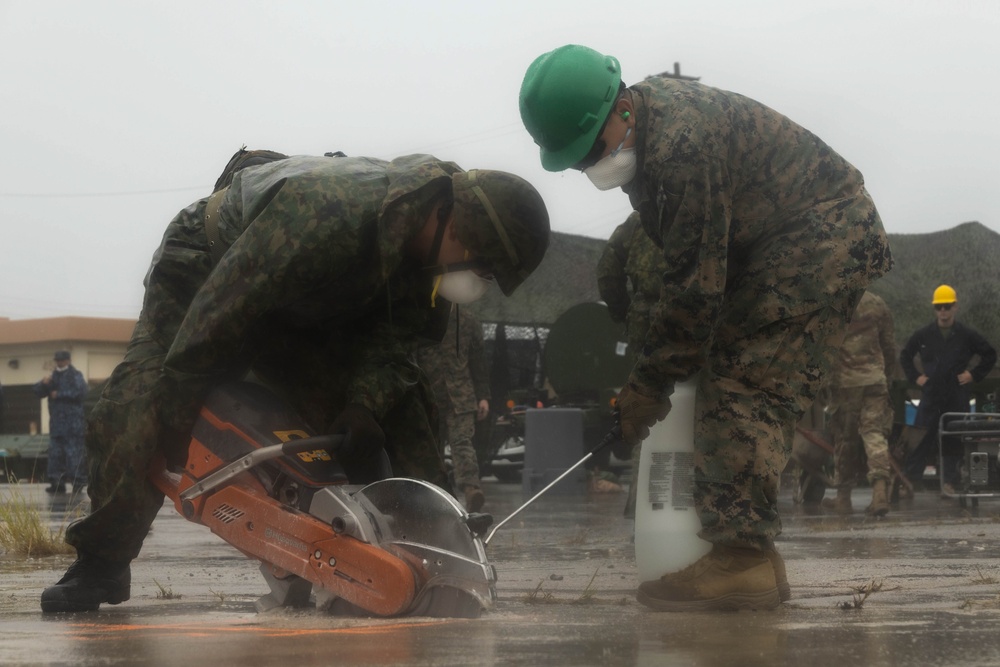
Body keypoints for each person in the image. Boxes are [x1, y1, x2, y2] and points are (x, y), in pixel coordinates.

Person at [40, 150, 550, 613]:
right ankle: (101, 562)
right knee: (142, 404)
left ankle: (423, 556)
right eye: (481, 265)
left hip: (302, 305)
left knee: (406, 408)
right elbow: (224, 308)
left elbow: (396, 346)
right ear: (450, 218)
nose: (475, 279)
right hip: (208, 265)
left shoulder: (427, 261)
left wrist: (363, 406)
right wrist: (178, 409)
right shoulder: (332, 213)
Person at [519, 45, 892, 611]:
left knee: (744, 377)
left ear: (621, 108)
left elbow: (695, 289)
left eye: (590, 149)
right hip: (783, 239)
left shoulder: (680, 145)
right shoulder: (648, 138)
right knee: (732, 365)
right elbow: (687, 277)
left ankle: (740, 561)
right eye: (575, 160)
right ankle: (755, 554)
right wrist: (658, 374)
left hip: (819, 237)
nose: (589, 165)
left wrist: (647, 387)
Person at [596, 210, 666, 515]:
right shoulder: (704, 204)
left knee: (644, 407)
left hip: (644, 319)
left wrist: (625, 311)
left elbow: (608, 270)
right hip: (694, 315)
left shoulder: (637, 220)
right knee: (698, 409)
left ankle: (640, 507)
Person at [899, 284, 996, 492]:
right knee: (920, 438)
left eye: (947, 306)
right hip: (931, 394)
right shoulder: (924, 334)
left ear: (955, 307)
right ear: (934, 309)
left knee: (953, 439)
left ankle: (949, 483)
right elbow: (905, 355)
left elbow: (989, 354)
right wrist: (916, 377)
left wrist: (973, 374)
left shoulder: (966, 335)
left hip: (955, 394)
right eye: (939, 307)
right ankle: (909, 481)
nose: (943, 311)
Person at [823, 291, 896, 516]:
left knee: (845, 440)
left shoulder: (831, 301)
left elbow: (822, 347)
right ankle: (880, 492)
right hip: (874, 379)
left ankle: (843, 498)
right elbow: (889, 345)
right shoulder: (877, 302)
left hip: (845, 383)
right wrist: (887, 376)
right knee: (874, 433)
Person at [417, 307, 491, 511]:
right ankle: (438, 495)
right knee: (434, 448)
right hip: (431, 396)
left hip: (461, 396)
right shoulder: (423, 318)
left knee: (462, 442)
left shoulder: (466, 319)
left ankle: (471, 489)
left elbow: (478, 360)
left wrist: (483, 396)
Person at [33, 350, 89, 494]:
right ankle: (57, 483)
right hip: (57, 424)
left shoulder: (75, 375)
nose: (59, 362)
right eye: (57, 360)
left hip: (73, 424)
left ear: (68, 361)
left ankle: (78, 483)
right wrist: (42, 383)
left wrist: (60, 394)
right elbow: (37, 392)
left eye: (62, 360)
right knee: (55, 455)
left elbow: (81, 392)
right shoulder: (53, 376)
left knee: (74, 454)